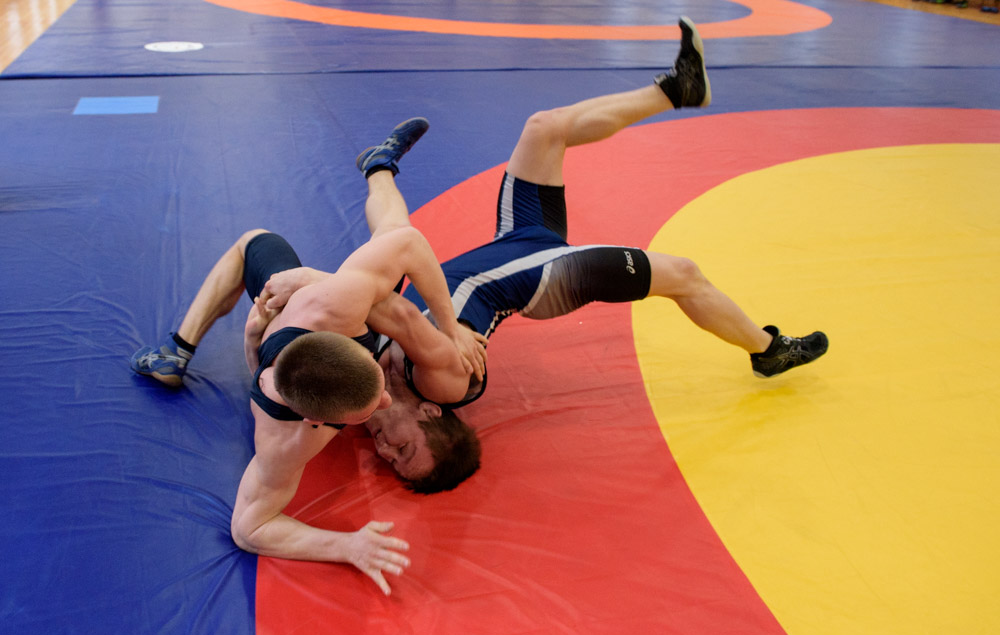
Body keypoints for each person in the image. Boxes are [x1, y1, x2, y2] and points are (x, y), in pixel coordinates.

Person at [262, 17, 830, 496]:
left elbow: (358, 319)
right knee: (683, 274)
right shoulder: (444, 385)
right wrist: (315, 282)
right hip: (540, 279)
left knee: (543, 129)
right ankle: (768, 350)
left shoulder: (359, 389)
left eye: (389, 460)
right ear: (431, 416)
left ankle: (675, 90)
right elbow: (395, 309)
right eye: (403, 449)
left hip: (517, 244)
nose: (385, 449)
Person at [129, 119, 487, 595]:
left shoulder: (334, 312)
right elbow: (248, 529)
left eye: (376, 394)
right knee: (255, 244)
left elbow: (407, 248)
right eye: (401, 448)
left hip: (302, 320)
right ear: (319, 422)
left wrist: (447, 326)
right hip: (298, 317)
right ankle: (178, 347)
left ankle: (377, 167)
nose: (382, 447)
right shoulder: (288, 443)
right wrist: (346, 545)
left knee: (338, 249)